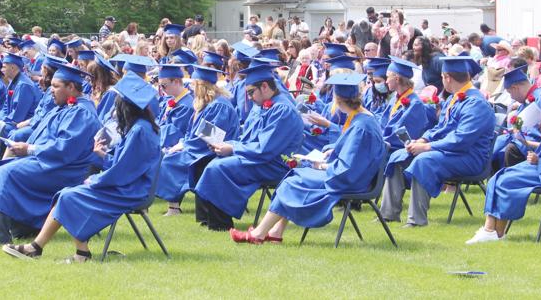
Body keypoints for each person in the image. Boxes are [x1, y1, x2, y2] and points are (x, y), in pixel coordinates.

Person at [2, 72, 161, 263]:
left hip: (132, 190)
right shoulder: (139, 127)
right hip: (126, 184)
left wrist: (96, 179)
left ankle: (76, 254)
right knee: (65, 194)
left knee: (70, 196)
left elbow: (124, 171)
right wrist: (103, 155)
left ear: (126, 106)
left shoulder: (140, 131)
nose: (114, 108)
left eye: (117, 103)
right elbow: (125, 164)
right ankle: (38, 248)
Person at [231, 73, 386, 244]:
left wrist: (321, 166)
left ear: (338, 100)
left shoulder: (362, 126)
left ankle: (258, 234)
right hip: (353, 176)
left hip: (349, 181)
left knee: (293, 181)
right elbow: (354, 153)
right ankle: (275, 231)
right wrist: (332, 151)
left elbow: (348, 168)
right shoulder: (362, 118)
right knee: (295, 174)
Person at [0, 65, 99, 246]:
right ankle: (25, 227)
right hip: (48, 162)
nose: (51, 90)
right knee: (6, 167)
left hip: (63, 169)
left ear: (71, 87)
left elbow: (64, 149)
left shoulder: (82, 112)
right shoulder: (65, 106)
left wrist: (29, 149)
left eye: (56, 86)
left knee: (5, 173)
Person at [467, 71, 541, 243]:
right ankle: (491, 230)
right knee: (498, 177)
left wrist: (540, 160)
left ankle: (495, 232)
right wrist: (536, 155)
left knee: (507, 181)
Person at [380, 56, 495, 227]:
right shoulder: (454, 98)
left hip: (470, 157)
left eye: (442, 77)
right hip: (449, 152)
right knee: (398, 156)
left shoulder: (476, 104)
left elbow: (461, 140)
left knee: (424, 160)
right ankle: (388, 214)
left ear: (447, 77)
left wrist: (427, 147)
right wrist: (422, 139)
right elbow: (441, 128)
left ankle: (416, 220)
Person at [193, 60, 303, 231]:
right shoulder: (263, 106)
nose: (249, 98)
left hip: (274, 164)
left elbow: (265, 149)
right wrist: (226, 144)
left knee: (219, 167)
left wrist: (232, 149)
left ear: (264, 86)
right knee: (211, 162)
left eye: (251, 92)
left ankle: (220, 224)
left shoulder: (283, 110)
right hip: (259, 158)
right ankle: (210, 219)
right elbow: (248, 140)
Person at [156, 65, 241, 216]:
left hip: (214, 150)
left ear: (202, 86)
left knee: (171, 160)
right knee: (171, 155)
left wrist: (185, 145)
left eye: (194, 84)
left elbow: (212, 136)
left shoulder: (219, 106)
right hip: (202, 147)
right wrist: (182, 142)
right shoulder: (207, 104)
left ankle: (174, 207)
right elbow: (192, 131)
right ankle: (173, 206)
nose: (191, 88)